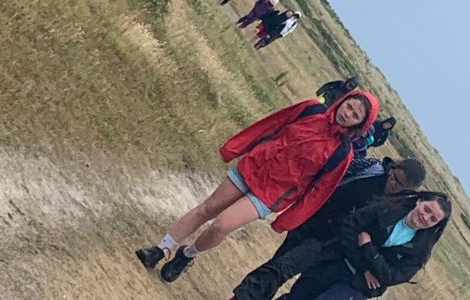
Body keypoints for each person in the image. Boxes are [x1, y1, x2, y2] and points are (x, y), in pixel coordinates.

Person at [135, 91, 380, 284]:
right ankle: (160, 249)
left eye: (355, 115)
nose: (347, 113)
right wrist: (235, 147)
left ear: (359, 125)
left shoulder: (342, 154)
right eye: (349, 106)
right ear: (343, 101)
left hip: (272, 194)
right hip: (253, 167)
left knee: (221, 225)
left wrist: (288, 220)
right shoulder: (311, 109)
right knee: (207, 209)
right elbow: (271, 125)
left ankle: (187, 255)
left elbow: (319, 192)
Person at [232, 157, 426, 299]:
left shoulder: (396, 207)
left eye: (400, 184)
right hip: (311, 222)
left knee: (283, 270)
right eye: (394, 176)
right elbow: (334, 177)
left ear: (411, 189)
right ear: (394, 167)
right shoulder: (372, 168)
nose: (393, 183)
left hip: (331, 246)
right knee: (276, 266)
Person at [275, 190, 451, 299]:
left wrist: (368, 247)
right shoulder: (385, 208)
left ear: (436, 225)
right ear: (419, 201)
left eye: (433, 219)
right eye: (427, 209)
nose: (425, 217)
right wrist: (366, 269)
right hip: (332, 261)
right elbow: (348, 228)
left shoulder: (420, 251)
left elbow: (392, 276)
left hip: (358, 287)